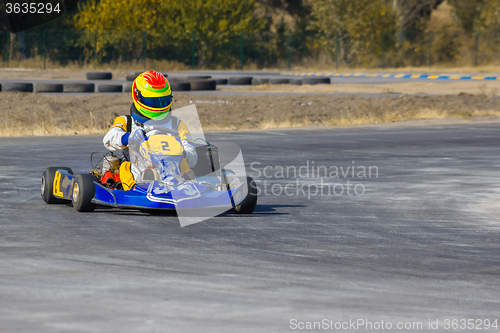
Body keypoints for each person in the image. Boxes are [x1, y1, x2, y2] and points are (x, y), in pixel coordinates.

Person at [103, 70, 197, 190]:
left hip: (173, 168)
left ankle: (189, 186)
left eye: (162, 100)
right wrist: (127, 137)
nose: (158, 105)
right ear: (138, 97)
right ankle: (134, 190)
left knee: (184, 162)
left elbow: (192, 154)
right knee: (125, 166)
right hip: (139, 169)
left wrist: (181, 153)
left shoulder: (177, 124)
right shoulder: (127, 121)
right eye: (152, 101)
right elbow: (108, 139)